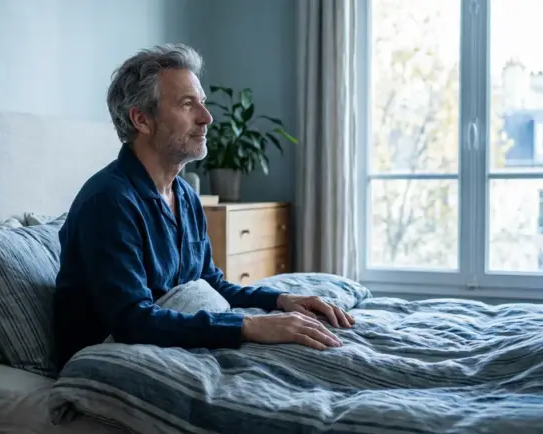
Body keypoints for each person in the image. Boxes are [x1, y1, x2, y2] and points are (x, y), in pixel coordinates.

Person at [52, 43, 355, 369]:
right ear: (141, 119)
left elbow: (212, 284)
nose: (206, 118)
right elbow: (131, 320)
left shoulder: (184, 196)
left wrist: (282, 301)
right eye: (187, 104)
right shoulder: (108, 202)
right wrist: (249, 326)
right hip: (110, 359)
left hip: (170, 341)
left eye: (203, 103)